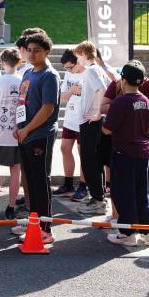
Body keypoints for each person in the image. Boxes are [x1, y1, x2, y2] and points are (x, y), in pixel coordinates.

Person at [102, 60, 149, 247]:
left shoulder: (120, 102)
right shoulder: (146, 101)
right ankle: (147, 232)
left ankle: (127, 233)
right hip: (143, 152)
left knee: (123, 193)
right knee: (142, 192)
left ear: (123, 80)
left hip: (124, 152)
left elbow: (107, 130)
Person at [12, 32, 59, 245]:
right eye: (29, 50)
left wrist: (27, 129)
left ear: (47, 52)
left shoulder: (49, 75)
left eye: (37, 51)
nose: (31, 54)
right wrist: (18, 126)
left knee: (40, 182)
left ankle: (45, 229)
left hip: (40, 135)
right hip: (25, 134)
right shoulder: (28, 73)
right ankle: (34, 225)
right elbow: (22, 102)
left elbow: (48, 108)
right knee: (30, 183)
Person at [74, 41, 112, 217]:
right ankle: (98, 197)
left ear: (84, 54)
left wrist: (97, 112)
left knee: (89, 162)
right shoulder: (97, 69)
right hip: (92, 121)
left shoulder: (91, 70)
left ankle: (98, 201)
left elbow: (101, 89)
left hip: (90, 122)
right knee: (94, 161)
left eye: (78, 56)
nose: (78, 60)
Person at [0, 48, 24, 221]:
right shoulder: (23, 80)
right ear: (19, 62)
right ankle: (10, 208)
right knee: (15, 169)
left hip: (0, 132)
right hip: (18, 132)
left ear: (2, 63)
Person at [56, 49, 84, 198]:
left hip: (83, 119)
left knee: (82, 153)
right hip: (70, 119)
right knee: (64, 148)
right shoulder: (68, 74)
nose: (68, 70)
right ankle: (68, 184)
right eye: (66, 68)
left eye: (70, 67)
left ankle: (83, 186)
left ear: (78, 61)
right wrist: (72, 90)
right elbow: (62, 97)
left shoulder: (88, 73)